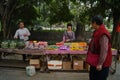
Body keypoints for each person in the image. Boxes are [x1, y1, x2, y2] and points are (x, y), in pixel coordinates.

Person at [86, 15, 112, 80]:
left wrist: (100, 63)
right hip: (95, 61)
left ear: (95, 23)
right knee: (92, 77)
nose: (91, 25)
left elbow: (104, 50)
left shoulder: (103, 33)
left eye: (91, 23)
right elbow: (96, 42)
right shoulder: (97, 31)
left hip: (102, 64)